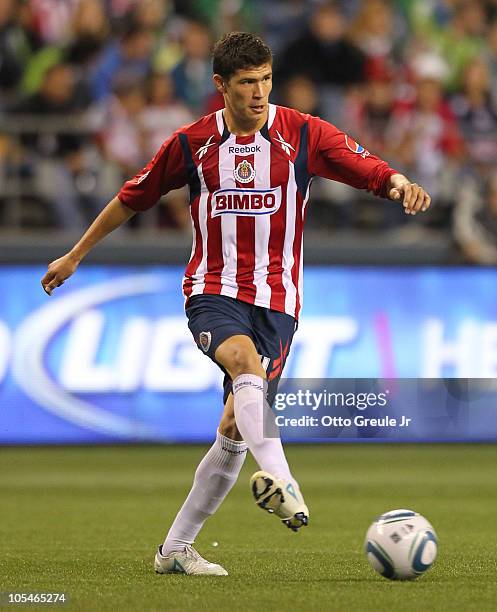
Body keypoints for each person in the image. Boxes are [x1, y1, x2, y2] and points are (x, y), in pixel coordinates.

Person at [41, 32, 431, 576]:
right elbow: (131, 197)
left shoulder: (302, 132)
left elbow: (360, 164)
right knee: (243, 363)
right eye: (247, 82)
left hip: (279, 305)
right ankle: (285, 478)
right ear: (220, 85)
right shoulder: (191, 144)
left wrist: (396, 181)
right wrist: (75, 255)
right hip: (212, 291)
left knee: (233, 430)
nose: (259, 92)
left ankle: (175, 549)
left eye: (266, 80)